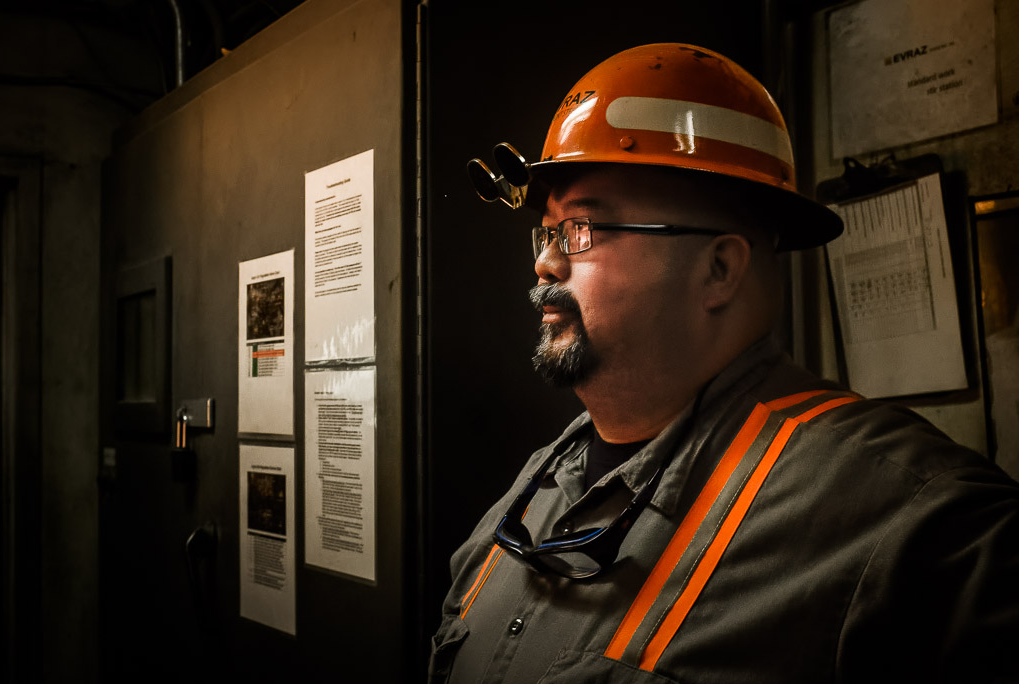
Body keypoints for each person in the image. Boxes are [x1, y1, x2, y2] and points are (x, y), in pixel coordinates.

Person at [430, 43, 1019, 683]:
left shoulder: (919, 528)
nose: (546, 263)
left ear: (718, 269)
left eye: (582, 229)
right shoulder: (523, 503)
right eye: (547, 234)